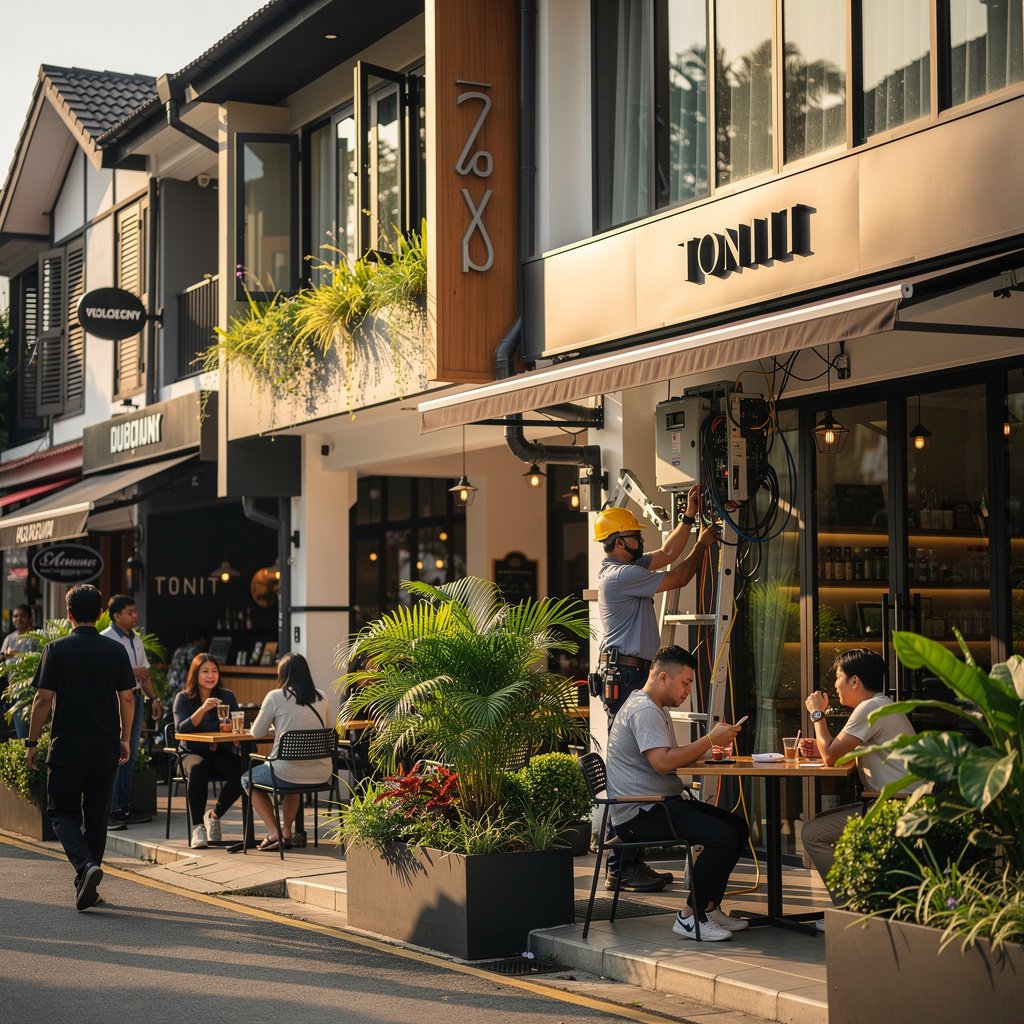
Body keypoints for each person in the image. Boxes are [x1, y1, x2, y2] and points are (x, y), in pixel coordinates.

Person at [593, 485, 718, 892]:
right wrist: (702, 545)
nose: (640, 541)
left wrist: (688, 518)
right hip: (628, 675)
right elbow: (678, 574)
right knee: (631, 769)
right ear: (618, 542)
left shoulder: (625, 568)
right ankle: (621, 864)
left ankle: (627, 861)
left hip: (631, 673)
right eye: (634, 536)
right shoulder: (622, 575)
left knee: (638, 766)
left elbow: (665, 553)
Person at [606, 644, 749, 942]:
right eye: (685, 683)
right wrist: (709, 740)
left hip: (659, 804)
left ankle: (708, 908)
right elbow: (663, 762)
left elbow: (669, 756)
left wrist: (711, 750)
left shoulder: (653, 707)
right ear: (662, 678)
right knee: (722, 837)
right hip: (642, 812)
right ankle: (689, 917)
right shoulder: (645, 710)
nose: (687, 691)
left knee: (737, 827)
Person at [24, 584, 135, 911]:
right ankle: (87, 881)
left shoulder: (56, 649)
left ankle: (85, 867)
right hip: (105, 744)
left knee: (61, 812)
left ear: (68, 613)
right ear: (101, 614)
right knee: (97, 815)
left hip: (68, 744)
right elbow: (127, 698)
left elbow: (42, 700)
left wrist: (32, 742)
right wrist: (125, 738)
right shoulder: (116, 650)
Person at [802, 647, 917, 932]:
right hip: (900, 801)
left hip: (893, 806)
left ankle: (849, 911)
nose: (835, 685)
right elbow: (840, 755)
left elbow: (831, 757)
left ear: (855, 681)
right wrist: (821, 748)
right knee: (821, 824)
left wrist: (817, 715)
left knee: (812, 833)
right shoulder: (881, 704)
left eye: (839, 677)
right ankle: (856, 905)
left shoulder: (869, 708)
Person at [243, 653, 338, 851]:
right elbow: (329, 729)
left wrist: (277, 728)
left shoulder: (275, 696)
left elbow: (257, 732)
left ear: (283, 673)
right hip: (321, 772)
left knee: (247, 779)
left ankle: (274, 832)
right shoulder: (322, 697)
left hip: (286, 772)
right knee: (292, 777)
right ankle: (287, 831)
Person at [173, 653, 244, 848]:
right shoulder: (183, 698)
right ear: (195, 674)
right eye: (205, 671)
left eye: (214, 671)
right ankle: (198, 828)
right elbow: (181, 729)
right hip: (190, 754)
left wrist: (232, 737)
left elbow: (233, 725)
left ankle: (214, 816)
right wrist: (203, 709)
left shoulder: (227, 696)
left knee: (244, 771)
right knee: (198, 769)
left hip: (220, 752)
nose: (210, 675)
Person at [103, 594, 161, 829]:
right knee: (114, 754)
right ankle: (110, 809)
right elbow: (104, 674)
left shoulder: (135, 639)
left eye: (135, 611)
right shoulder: (105, 638)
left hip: (136, 699)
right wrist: (131, 671)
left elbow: (144, 674)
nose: (135, 615)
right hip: (116, 701)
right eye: (130, 612)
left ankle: (123, 807)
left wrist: (154, 699)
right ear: (116, 616)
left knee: (130, 755)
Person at [1, 604, 39, 738]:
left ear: (30, 618)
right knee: (15, 729)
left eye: (22, 616)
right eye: (15, 616)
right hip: (11, 689)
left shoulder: (35, 638)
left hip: (29, 690)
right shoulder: (9, 638)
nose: (18, 619)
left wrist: (19, 654)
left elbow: (39, 660)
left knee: (24, 730)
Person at [167, 626, 209, 696]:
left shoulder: (179, 649)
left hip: (171, 684)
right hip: (182, 686)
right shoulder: (194, 650)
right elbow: (197, 669)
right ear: (202, 639)